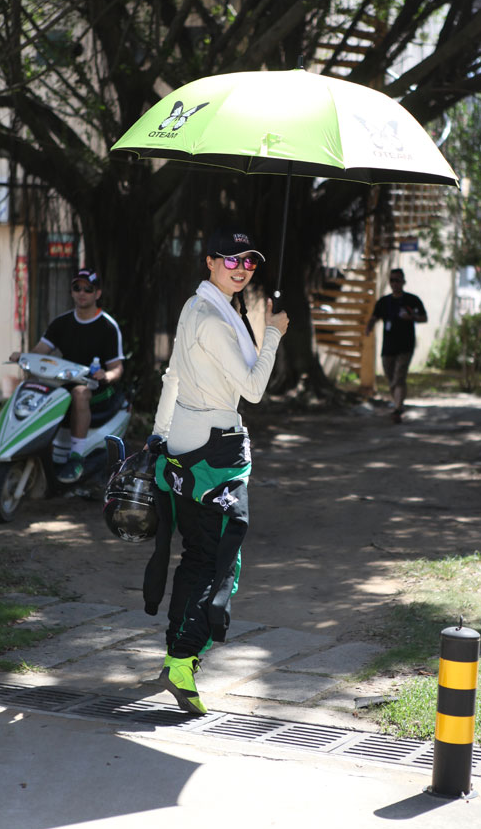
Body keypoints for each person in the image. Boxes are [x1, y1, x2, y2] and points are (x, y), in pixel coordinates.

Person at [142, 228, 289, 715]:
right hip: (213, 453)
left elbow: (175, 376)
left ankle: (178, 654)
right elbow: (252, 389)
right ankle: (182, 661)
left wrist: (161, 436)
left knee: (200, 555)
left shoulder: (196, 307)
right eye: (231, 260)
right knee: (217, 560)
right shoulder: (214, 319)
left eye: (249, 261)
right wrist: (273, 334)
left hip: (187, 445)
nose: (241, 268)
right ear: (209, 262)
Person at [10, 268, 124, 482]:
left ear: (97, 293)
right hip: (63, 381)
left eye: (88, 289)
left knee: (80, 393)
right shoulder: (61, 323)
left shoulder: (108, 326)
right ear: (71, 291)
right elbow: (39, 352)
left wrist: (106, 376)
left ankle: (76, 458)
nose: (82, 293)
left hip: (95, 387)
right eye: (77, 287)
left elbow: (117, 368)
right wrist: (23, 357)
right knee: (32, 386)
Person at [365, 267, 427, 422]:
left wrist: (412, 317)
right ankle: (399, 403)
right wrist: (368, 327)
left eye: (397, 280)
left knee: (399, 377)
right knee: (391, 378)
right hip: (388, 347)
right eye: (392, 280)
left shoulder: (412, 300)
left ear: (403, 282)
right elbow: (374, 317)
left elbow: (424, 318)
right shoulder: (384, 302)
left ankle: (398, 409)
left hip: (405, 346)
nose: (394, 283)